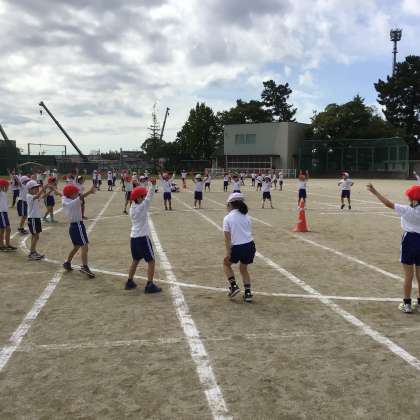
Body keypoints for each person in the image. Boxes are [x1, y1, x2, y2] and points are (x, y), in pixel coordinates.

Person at [367, 183, 420, 314]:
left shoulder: (407, 210)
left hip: (409, 240)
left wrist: (375, 192)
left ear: (412, 198)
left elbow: (388, 204)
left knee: (408, 275)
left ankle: (407, 304)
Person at [125, 179, 162, 293]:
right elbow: (149, 196)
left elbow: (145, 197)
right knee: (151, 261)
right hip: (142, 238)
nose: (144, 197)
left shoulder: (132, 208)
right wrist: (153, 185)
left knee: (135, 260)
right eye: (142, 196)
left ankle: (129, 282)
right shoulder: (142, 206)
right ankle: (149, 285)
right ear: (138, 198)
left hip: (133, 238)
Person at [223, 193, 255, 303]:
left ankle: (233, 286)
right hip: (250, 246)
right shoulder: (247, 216)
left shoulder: (227, 218)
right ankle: (248, 293)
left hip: (238, 247)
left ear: (231, 204)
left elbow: (227, 238)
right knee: (243, 268)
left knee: (226, 264)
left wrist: (228, 253)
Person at [62, 183, 96, 278]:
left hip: (73, 227)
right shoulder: (73, 202)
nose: (78, 193)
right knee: (84, 246)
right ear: (71, 194)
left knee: (76, 247)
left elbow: (64, 195)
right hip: (78, 226)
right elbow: (81, 197)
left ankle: (67, 263)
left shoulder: (65, 200)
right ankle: (85, 267)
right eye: (76, 192)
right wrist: (90, 191)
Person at [26, 180, 46, 260]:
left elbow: (42, 196)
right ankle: (32, 253)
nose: (37, 189)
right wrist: (44, 188)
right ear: (29, 189)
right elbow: (37, 196)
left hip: (36, 218)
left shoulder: (34, 196)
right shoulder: (29, 196)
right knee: (36, 236)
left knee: (35, 236)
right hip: (32, 218)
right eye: (35, 188)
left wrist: (49, 190)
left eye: (37, 188)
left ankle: (33, 251)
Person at [0, 178, 17, 252]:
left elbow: (6, 188)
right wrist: (2, 184)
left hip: (4, 213)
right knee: (3, 229)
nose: (7, 186)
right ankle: (1, 245)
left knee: (7, 229)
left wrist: (6, 183)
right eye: (6, 185)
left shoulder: (3, 192)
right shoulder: (0, 192)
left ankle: (7, 244)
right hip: (1, 212)